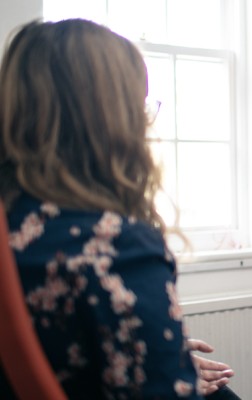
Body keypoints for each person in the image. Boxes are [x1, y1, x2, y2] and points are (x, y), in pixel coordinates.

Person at [0, 19, 239, 399]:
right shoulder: (115, 245)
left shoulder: (15, 223)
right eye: (140, 106)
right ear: (111, 120)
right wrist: (176, 371)